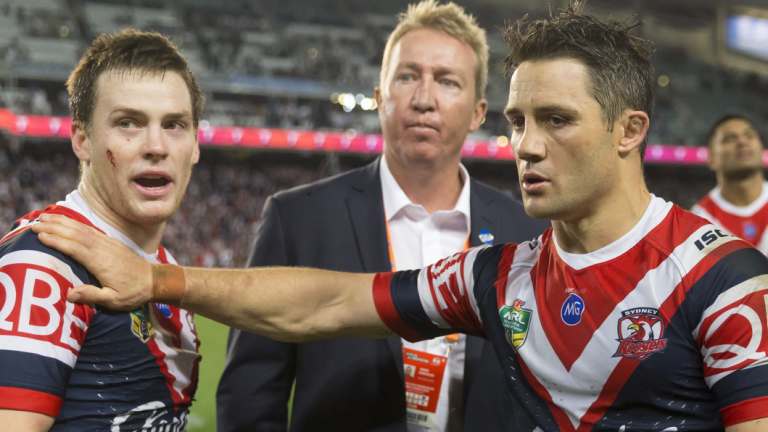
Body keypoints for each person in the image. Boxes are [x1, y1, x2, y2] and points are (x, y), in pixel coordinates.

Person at [32, 3, 768, 431]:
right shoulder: (498, 276)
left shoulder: (724, 282)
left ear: (629, 131)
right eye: (517, 122)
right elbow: (329, 301)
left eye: (556, 120)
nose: (525, 146)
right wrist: (163, 281)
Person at [216, 2, 547, 431]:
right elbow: (251, 393)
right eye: (407, 76)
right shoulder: (298, 219)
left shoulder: (527, 235)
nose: (424, 99)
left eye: (447, 81)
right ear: (378, 96)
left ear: (478, 113)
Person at [0, 29, 202, 431]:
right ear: (82, 140)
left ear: (196, 145)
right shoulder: (43, 265)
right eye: (128, 123)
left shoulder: (165, 268)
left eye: (174, 124)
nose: (156, 146)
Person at [692, 115, 768, 254]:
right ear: (711, 158)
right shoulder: (698, 222)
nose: (742, 142)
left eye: (749, 135)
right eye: (729, 139)